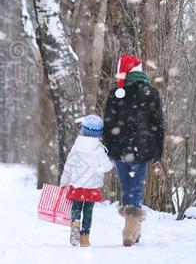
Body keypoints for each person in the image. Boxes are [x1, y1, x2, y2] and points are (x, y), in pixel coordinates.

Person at [103, 53, 166, 247]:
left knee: (127, 188)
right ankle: (131, 231)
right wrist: (157, 153)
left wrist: (109, 145)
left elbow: (108, 122)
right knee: (136, 187)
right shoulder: (151, 92)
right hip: (143, 147)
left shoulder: (116, 92)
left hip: (120, 148)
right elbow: (158, 125)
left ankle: (132, 229)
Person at [60, 115, 113, 247]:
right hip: (92, 187)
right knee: (88, 212)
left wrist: (64, 181)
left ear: (83, 130)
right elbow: (107, 167)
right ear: (99, 133)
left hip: (77, 185)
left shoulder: (77, 146)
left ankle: (75, 223)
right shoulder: (98, 149)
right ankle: (84, 239)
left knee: (76, 208)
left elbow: (69, 165)